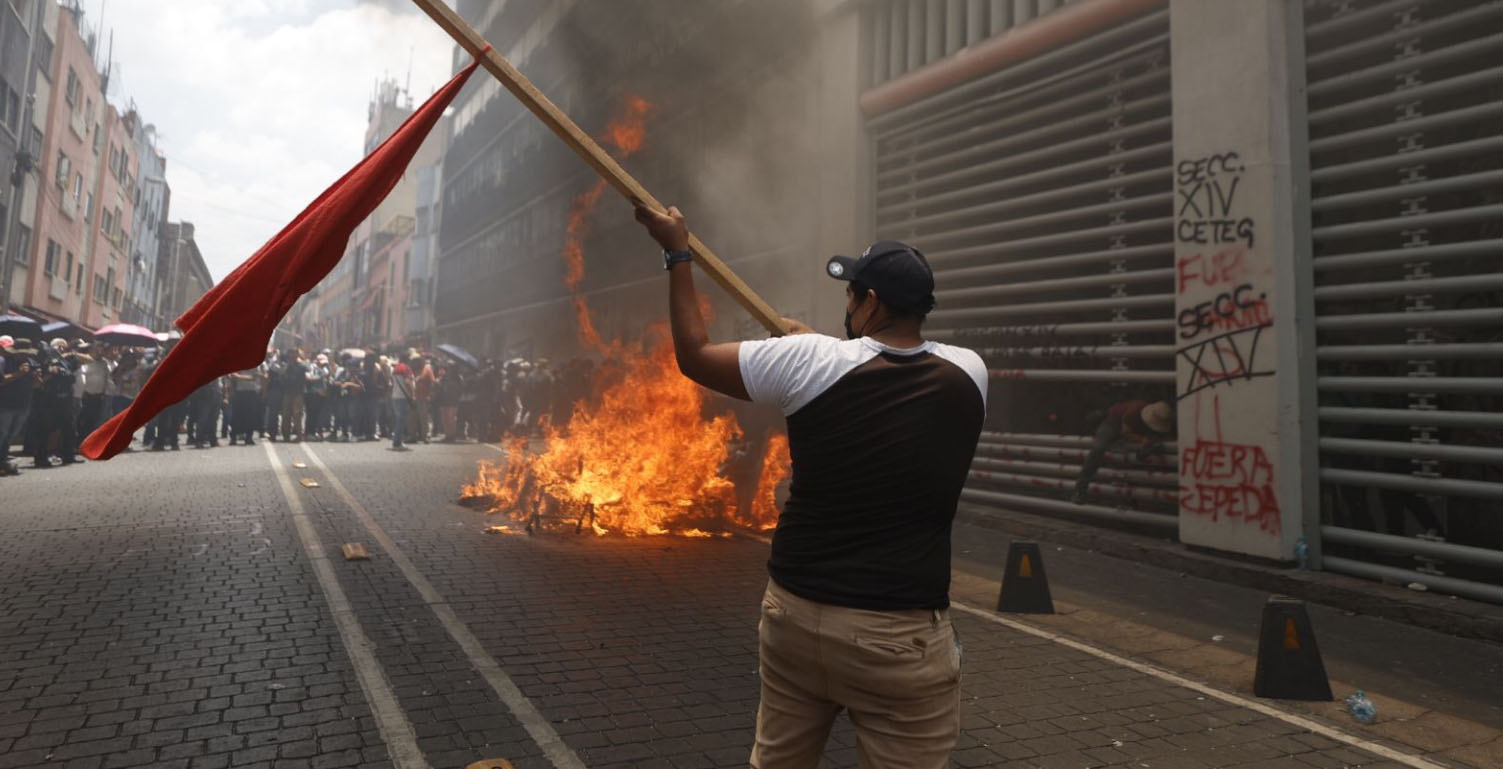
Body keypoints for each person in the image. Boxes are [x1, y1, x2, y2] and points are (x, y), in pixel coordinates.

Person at [635, 206, 986, 769]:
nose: (846, 305)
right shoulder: (969, 372)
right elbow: (873, 364)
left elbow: (695, 356)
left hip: (796, 618)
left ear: (870, 302)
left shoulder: (808, 362)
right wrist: (819, 344)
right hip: (899, 636)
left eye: (852, 295)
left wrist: (679, 253)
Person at [1071, 399, 1174, 504]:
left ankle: (1133, 497)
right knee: (1099, 448)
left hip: (1131, 426)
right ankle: (1080, 489)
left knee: (1156, 445)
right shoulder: (1134, 412)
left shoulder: (1153, 416)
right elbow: (1125, 432)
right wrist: (1141, 440)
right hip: (1114, 421)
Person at [0, 336, 37, 475]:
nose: (24, 355)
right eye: (21, 352)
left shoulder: (31, 363)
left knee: (11, 436)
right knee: (2, 434)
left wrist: (36, 376)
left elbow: (37, 385)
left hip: (24, 405)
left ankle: (2, 461)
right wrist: (19, 373)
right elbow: (2, 381)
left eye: (26, 353)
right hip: (5, 405)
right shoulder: (5, 362)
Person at [227, 369, 261, 445]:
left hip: (251, 392)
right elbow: (232, 375)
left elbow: (254, 377)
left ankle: (249, 437)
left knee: (250, 416)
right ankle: (233, 438)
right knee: (236, 416)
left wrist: (238, 376)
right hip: (239, 393)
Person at [388, 356, 415, 450]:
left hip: (395, 396)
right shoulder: (406, 369)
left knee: (398, 420)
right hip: (403, 397)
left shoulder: (395, 369)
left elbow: (391, 381)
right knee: (401, 421)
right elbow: (407, 382)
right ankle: (397, 442)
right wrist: (412, 394)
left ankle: (397, 440)